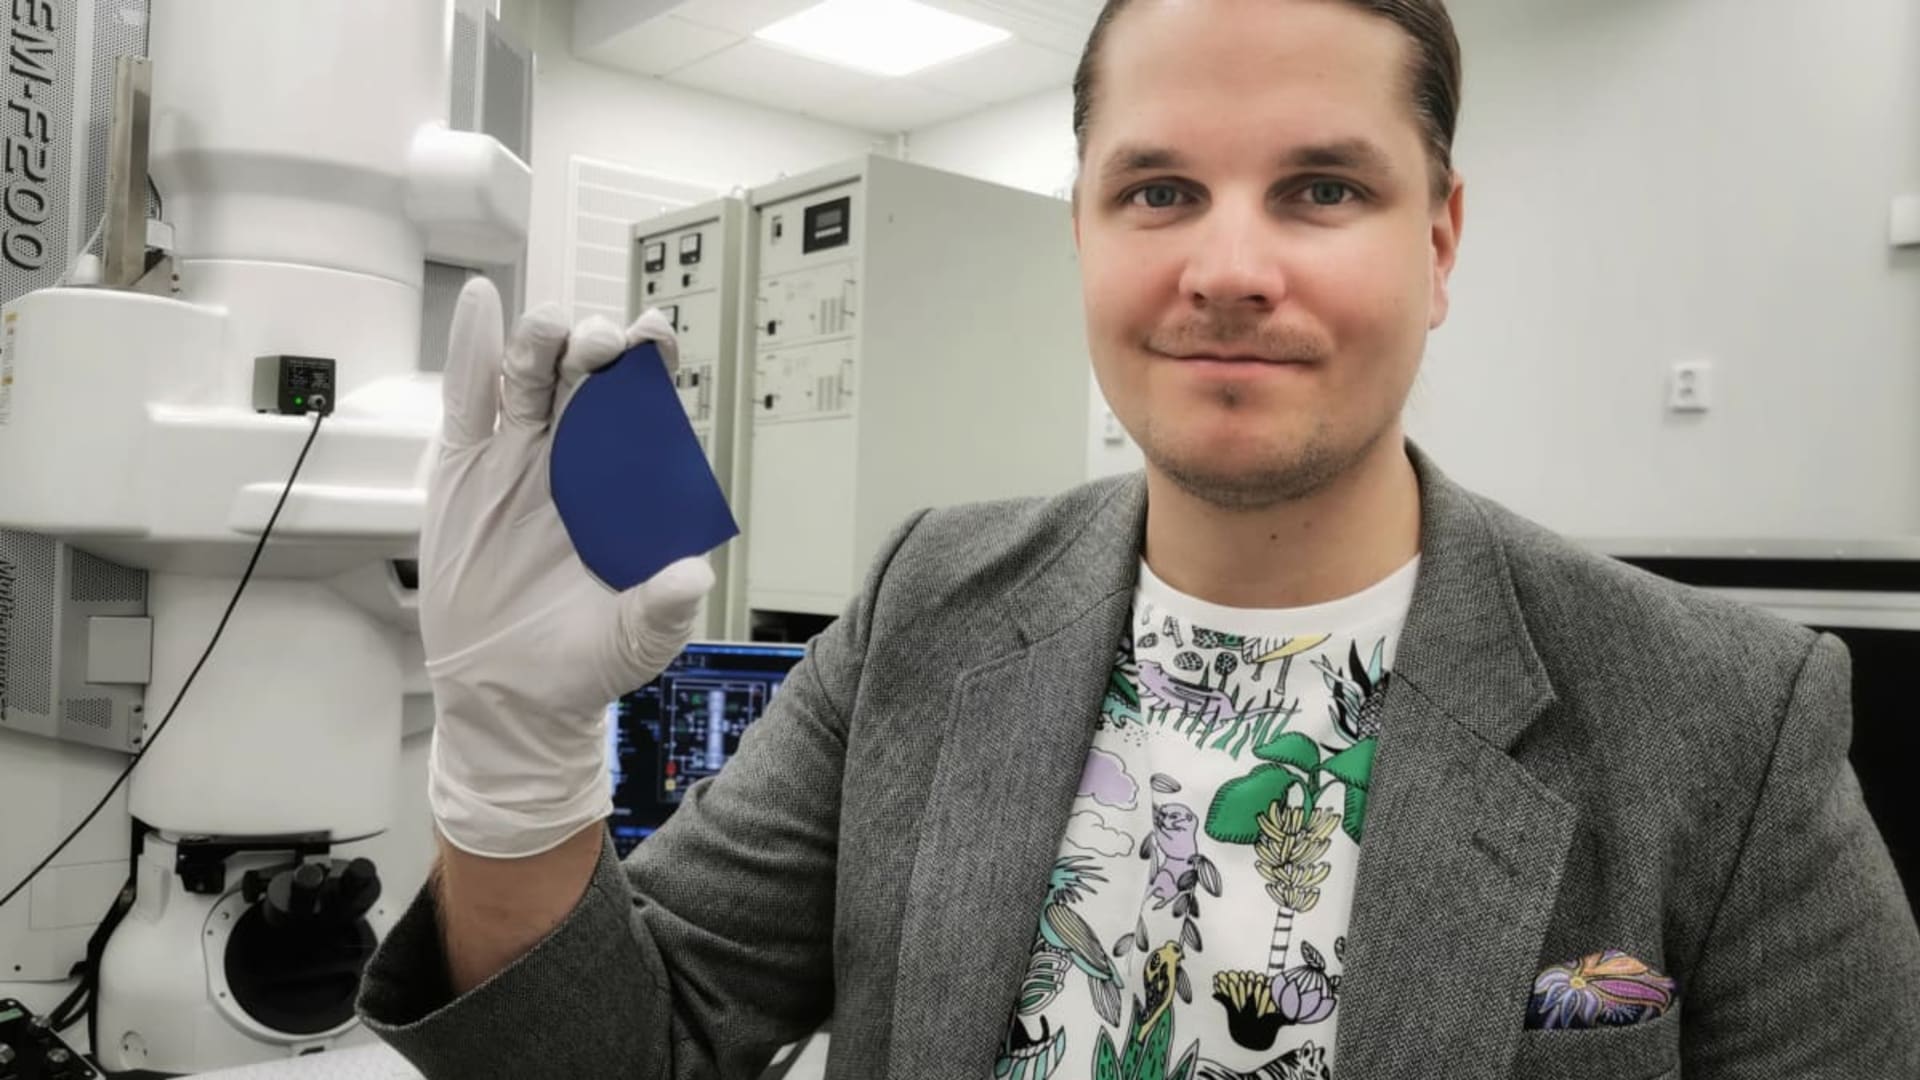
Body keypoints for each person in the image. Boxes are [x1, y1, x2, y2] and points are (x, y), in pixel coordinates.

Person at [356, 1, 1920, 1077]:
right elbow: (629, 1050)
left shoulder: (1725, 719)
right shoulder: (926, 609)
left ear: (1439, 240)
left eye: (1321, 188)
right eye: (1160, 190)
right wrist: (514, 771)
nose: (1227, 268)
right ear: (1084, 235)